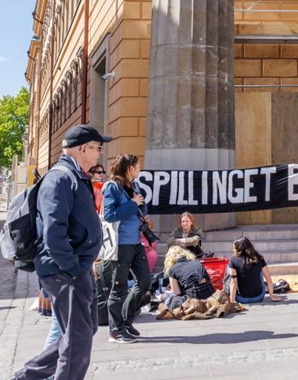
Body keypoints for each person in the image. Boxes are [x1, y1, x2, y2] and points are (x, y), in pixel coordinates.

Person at [10, 124, 111, 380]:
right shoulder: (61, 178)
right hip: (65, 269)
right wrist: (74, 268)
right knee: (78, 344)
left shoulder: (75, 177)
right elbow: (54, 232)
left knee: (81, 332)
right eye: (98, 147)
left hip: (75, 268)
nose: (100, 153)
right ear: (83, 148)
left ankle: (27, 376)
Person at [102, 154, 151, 344]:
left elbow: (141, 209)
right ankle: (115, 332)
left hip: (135, 242)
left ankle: (126, 321)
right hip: (120, 244)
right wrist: (132, 204)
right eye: (138, 166)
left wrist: (140, 204)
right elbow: (109, 215)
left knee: (145, 282)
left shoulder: (133, 185)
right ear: (130, 168)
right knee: (119, 287)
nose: (140, 169)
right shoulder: (111, 187)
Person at [226, 237, 284, 304]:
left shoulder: (233, 260)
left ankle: (231, 296)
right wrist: (272, 297)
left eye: (234, 248)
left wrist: (232, 302)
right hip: (258, 297)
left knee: (229, 269)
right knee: (259, 272)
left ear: (239, 248)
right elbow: (268, 278)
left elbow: (233, 282)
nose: (233, 250)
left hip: (241, 298)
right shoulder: (259, 258)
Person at [163, 246, 215, 310]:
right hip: (209, 294)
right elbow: (206, 280)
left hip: (193, 297)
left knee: (168, 299)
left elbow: (177, 293)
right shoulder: (197, 263)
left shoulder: (173, 269)